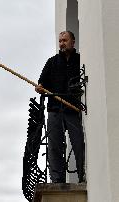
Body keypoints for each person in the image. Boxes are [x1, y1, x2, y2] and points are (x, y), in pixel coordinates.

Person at [35, 31, 85, 183]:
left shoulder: (80, 60)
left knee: (78, 143)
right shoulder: (52, 62)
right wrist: (40, 88)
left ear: (73, 42)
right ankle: (57, 179)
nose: (62, 43)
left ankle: (82, 175)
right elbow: (41, 84)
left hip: (73, 109)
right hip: (55, 110)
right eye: (60, 41)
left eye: (65, 40)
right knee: (54, 145)